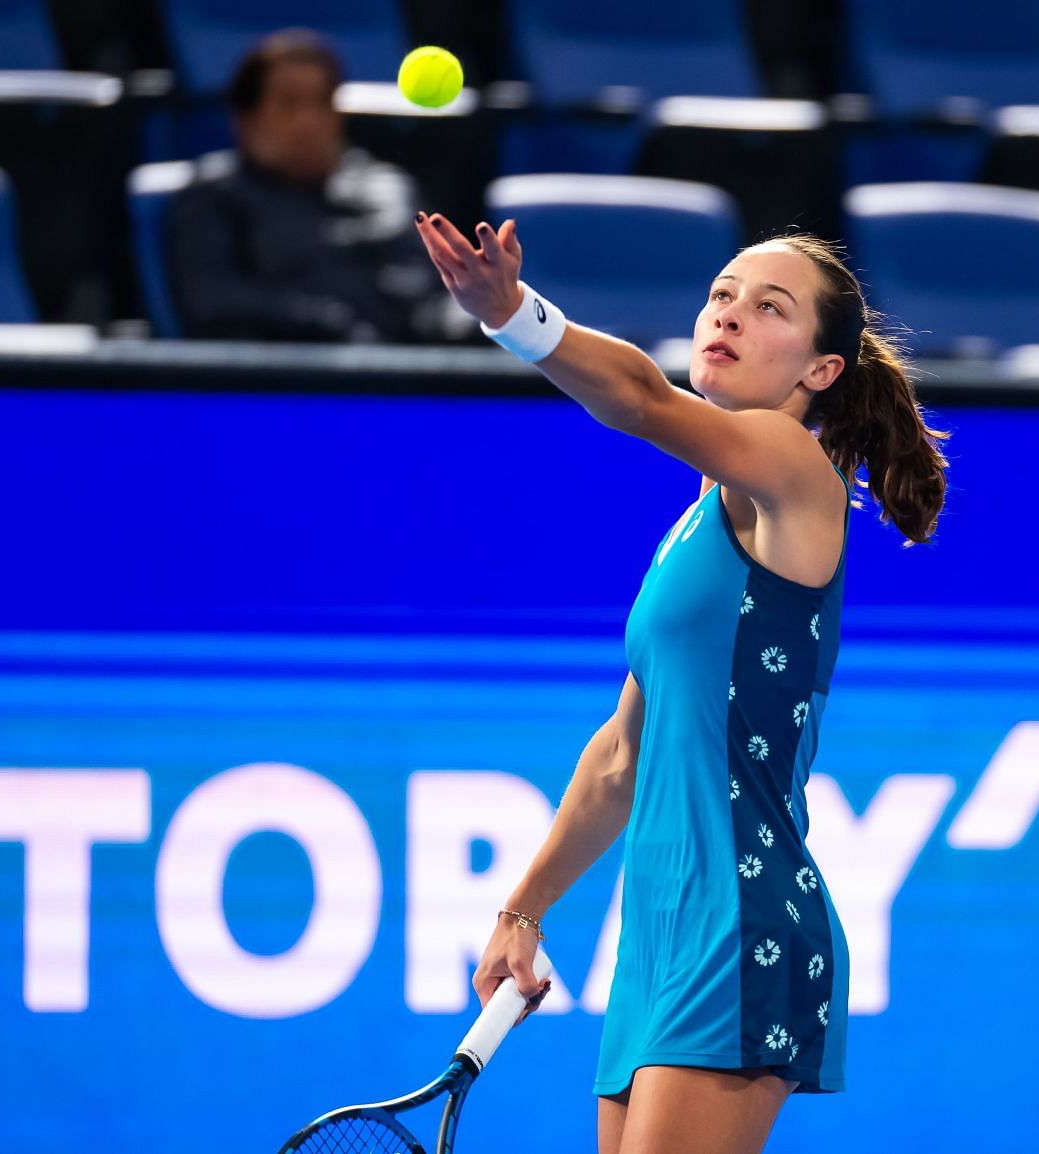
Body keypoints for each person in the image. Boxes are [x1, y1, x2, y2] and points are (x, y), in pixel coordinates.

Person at [414, 212, 950, 1154]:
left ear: (820, 371)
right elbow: (623, 755)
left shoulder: (793, 470)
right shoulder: (701, 519)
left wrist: (513, 316)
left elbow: (639, 400)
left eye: (769, 308)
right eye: (720, 295)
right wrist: (522, 911)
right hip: (661, 930)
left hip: (740, 921)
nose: (729, 315)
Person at [166, 30, 466, 343]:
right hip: (298, 376)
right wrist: (323, 322)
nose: (308, 121)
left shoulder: (386, 187)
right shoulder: (213, 197)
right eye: (289, 103)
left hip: (415, 371)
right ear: (245, 119)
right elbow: (214, 302)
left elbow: (432, 292)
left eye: (322, 102)